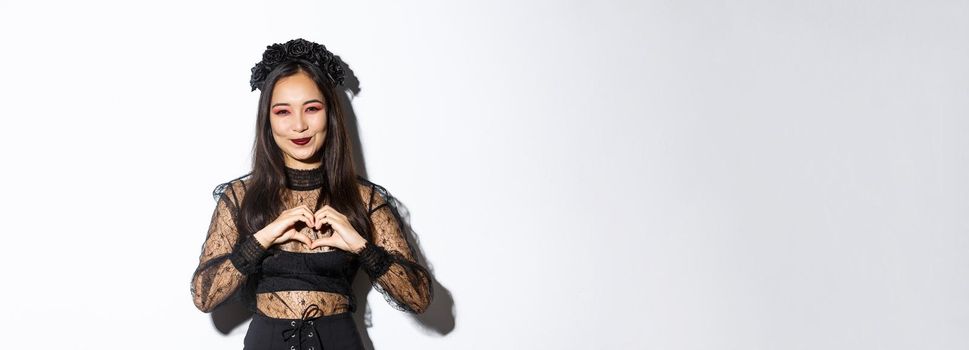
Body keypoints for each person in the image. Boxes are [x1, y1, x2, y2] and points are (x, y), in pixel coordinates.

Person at [190, 38, 433, 350]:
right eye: (283, 112)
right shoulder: (240, 197)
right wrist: (263, 239)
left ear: (329, 114)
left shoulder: (365, 200)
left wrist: (361, 246)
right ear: (268, 120)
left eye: (312, 109)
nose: (299, 125)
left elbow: (419, 297)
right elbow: (204, 296)